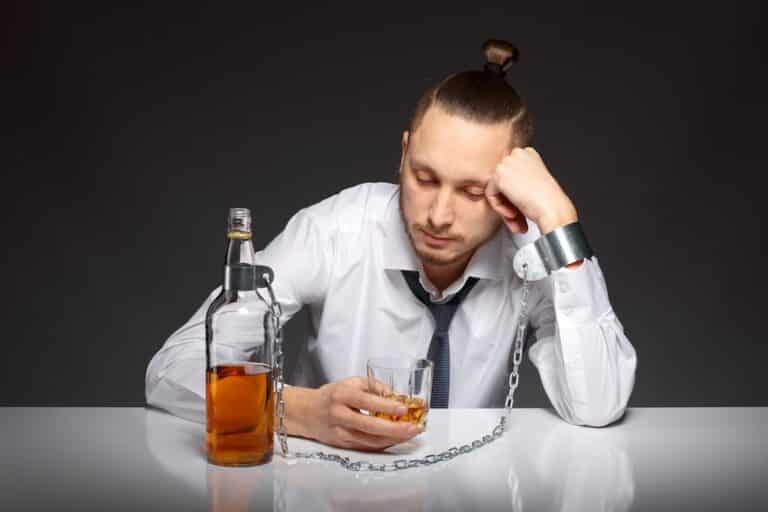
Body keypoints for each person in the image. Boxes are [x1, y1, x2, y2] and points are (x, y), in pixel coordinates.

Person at [145, 39, 637, 451]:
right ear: (403, 154)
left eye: (471, 191)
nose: (438, 216)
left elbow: (597, 406)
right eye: (424, 178)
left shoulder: (531, 251)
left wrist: (559, 220)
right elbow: (170, 371)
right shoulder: (336, 229)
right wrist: (295, 410)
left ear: (509, 189)